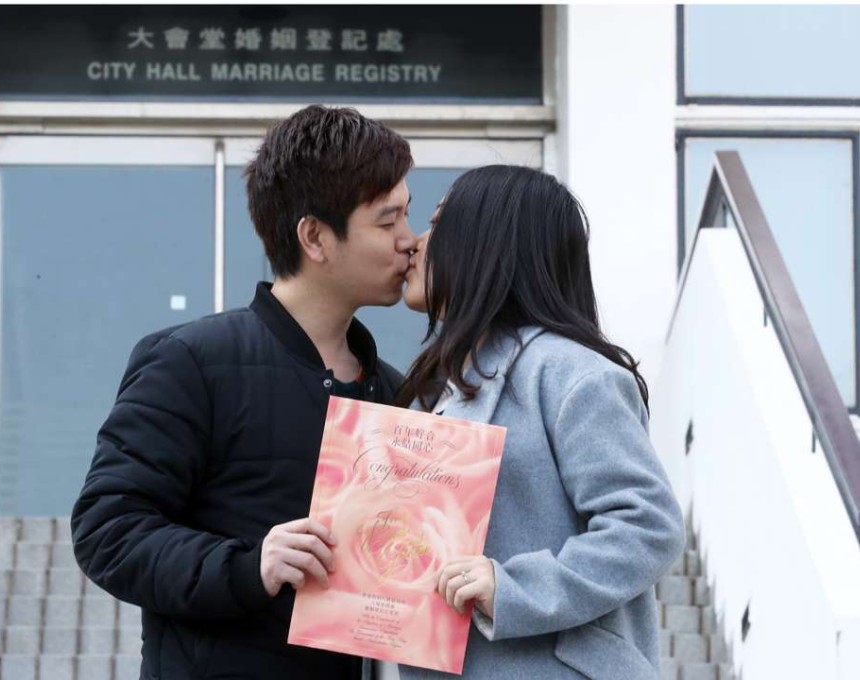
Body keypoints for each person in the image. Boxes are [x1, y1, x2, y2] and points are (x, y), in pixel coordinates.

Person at [71, 105, 417, 680]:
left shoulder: (395, 390)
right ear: (315, 237)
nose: (409, 241)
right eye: (387, 222)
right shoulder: (191, 361)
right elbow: (109, 530)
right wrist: (248, 567)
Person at [394, 165, 685, 679]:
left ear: (486, 244)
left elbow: (648, 525)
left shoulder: (570, 374)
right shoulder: (431, 392)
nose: (415, 243)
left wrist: (514, 589)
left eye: (438, 224)